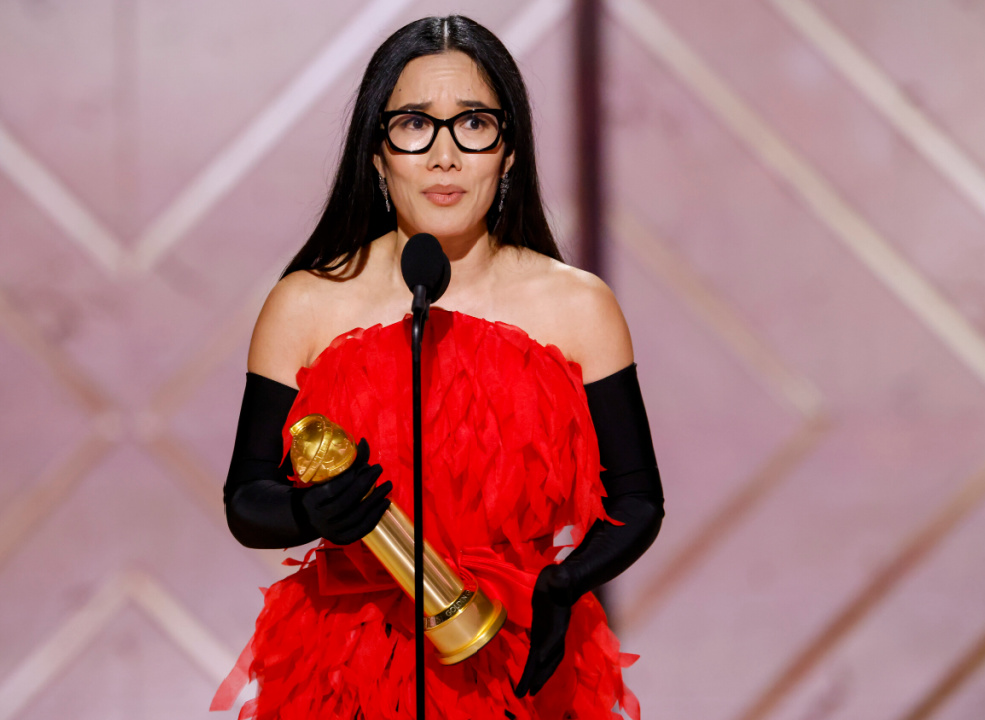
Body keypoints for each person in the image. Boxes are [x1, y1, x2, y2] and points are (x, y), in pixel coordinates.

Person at [211, 15, 664, 720]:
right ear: (376, 152)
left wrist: (563, 584)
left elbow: (637, 500)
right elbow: (247, 498)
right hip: (344, 666)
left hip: (519, 657)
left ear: (508, 152)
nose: (444, 156)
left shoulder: (578, 307)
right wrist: (309, 509)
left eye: (474, 125)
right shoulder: (305, 303)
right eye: (415, 126)